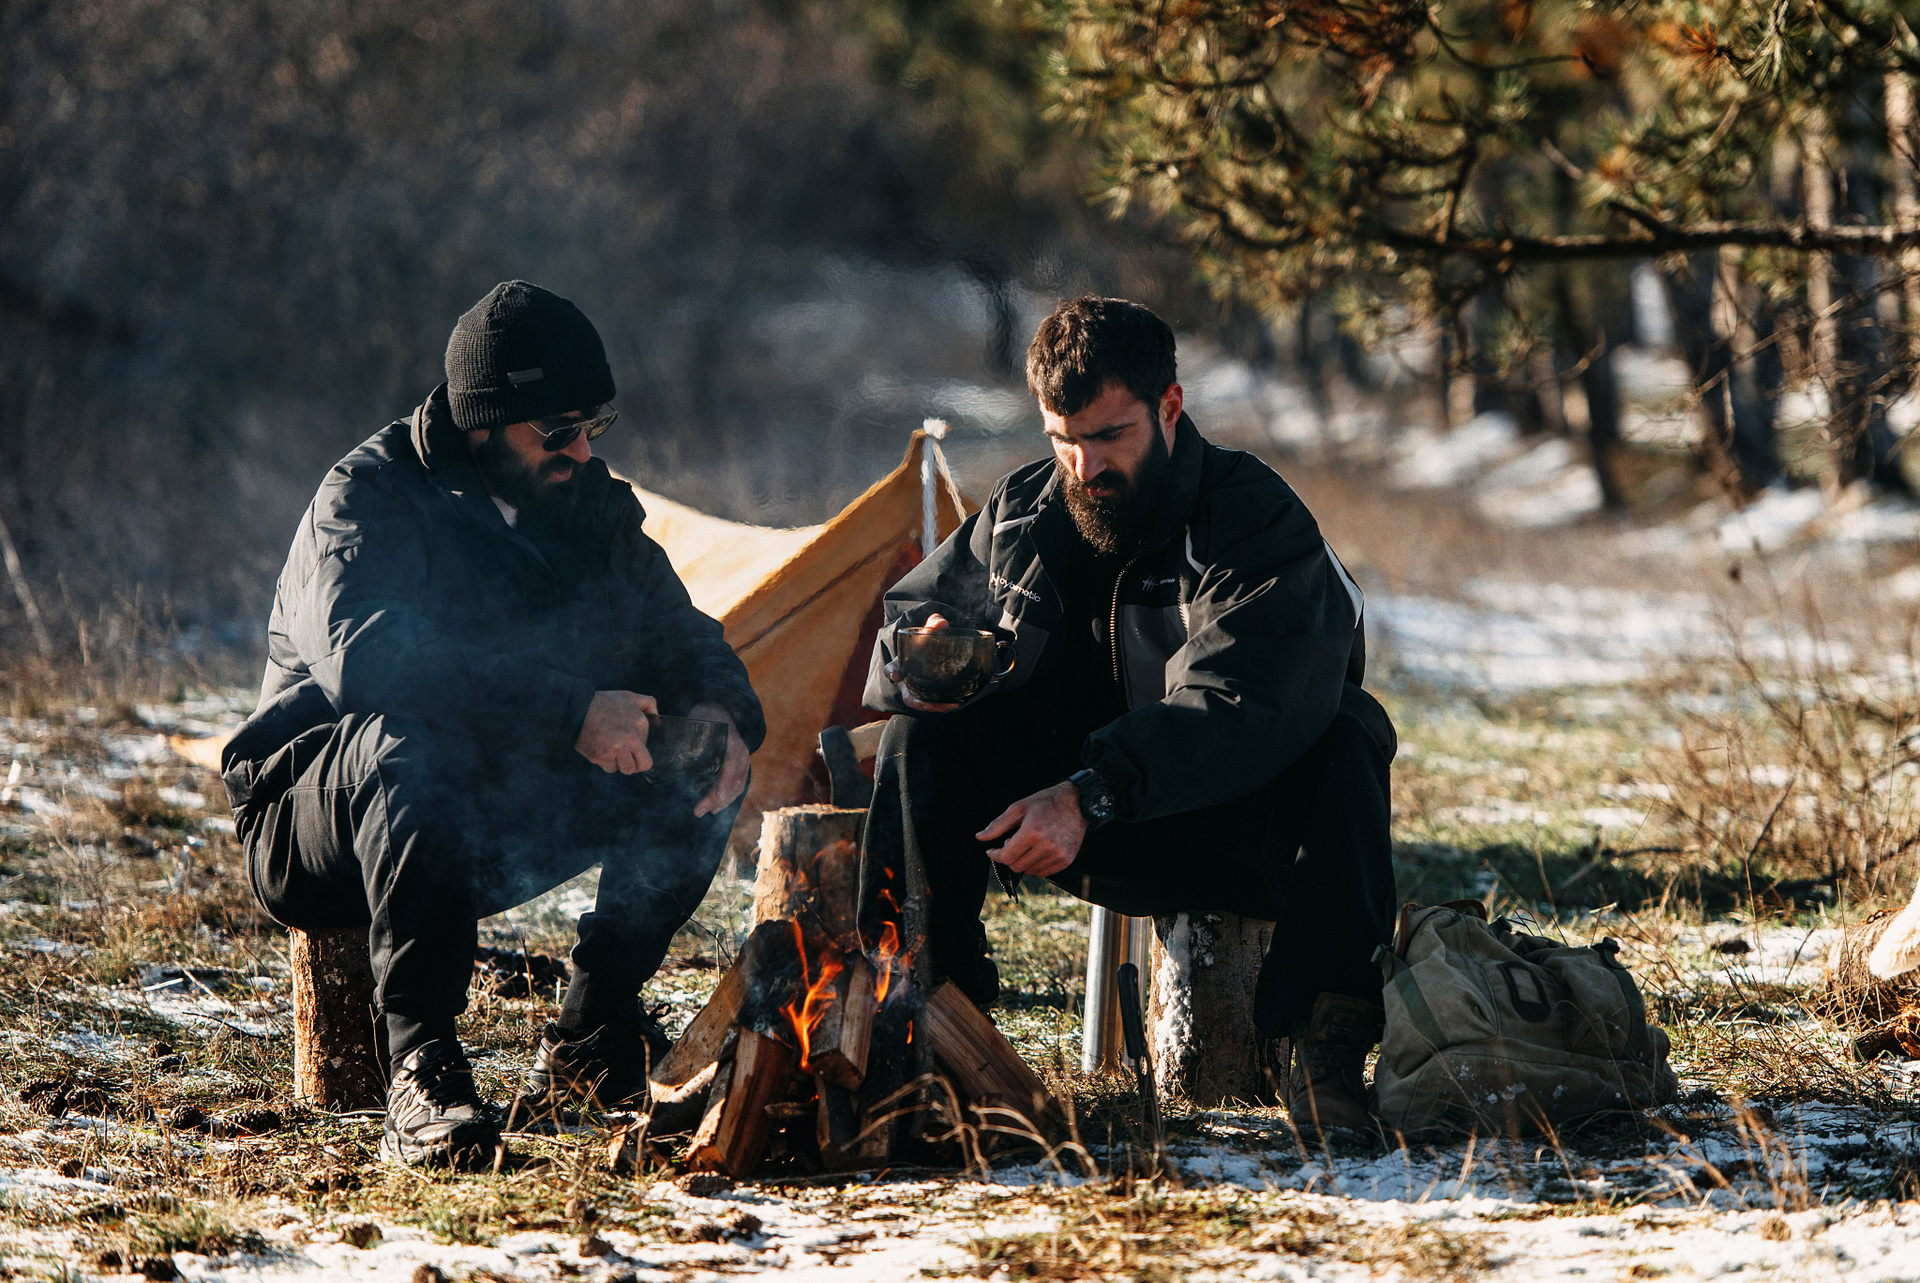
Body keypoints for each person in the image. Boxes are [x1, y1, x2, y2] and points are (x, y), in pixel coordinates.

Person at [221, 281, 763, 1169]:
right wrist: (571, 711)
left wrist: (722, 711)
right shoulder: (368, 496)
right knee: (412, 737)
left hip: (481, 804)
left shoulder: (585, 500)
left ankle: (593, 1035)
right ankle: (421, 1069)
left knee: (695, 756)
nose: (583, 449)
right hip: (315, 811)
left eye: (595, 425)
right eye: (559, 430)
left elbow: (683, 633)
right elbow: (369, 662)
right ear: (484, 424)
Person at [860, 296, 1396, 1142]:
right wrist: (920, 656)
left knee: (1349, 737)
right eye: (1063, 438)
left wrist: (1092, 789)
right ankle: (927, 1026)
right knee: (917, 735)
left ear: (1169, 407)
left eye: (1110, 435)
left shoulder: (1253, 517)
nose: (1085, 465)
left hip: (1228, 831)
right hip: (1077, 828)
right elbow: (908, 616)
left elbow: (1241, 701)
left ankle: (1323, 1055)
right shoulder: (1022, 511)